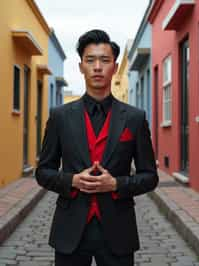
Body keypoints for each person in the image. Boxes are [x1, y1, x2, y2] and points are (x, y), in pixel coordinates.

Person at [35, 29, 159, 266]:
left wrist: (116, 184)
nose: (97, 67)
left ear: (115, 66)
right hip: (70, 229)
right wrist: (72, 181)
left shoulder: (134, 118)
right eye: (90, 60)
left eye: (105, 60)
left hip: (118, 230)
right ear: (81, 66)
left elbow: (150, 177)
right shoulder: (60, 117)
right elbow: (43, 172)